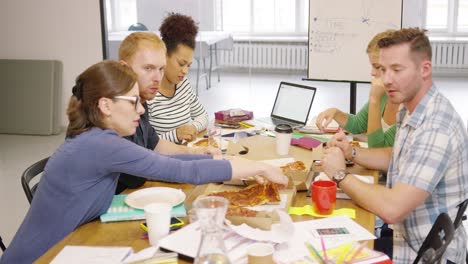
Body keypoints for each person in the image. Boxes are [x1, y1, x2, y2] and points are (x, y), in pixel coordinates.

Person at [0, 61, 288, 264]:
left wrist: (214, 159)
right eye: (134, 102)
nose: (140, 110)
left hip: (70, 247)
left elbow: (160, 160)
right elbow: (176, 169)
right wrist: (260, 167)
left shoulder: (96, 136)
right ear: (105, 105)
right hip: (42, 258)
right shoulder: (102, 145)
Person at [321, 28, 468, 263]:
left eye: (396, 70)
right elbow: (396, 156)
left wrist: (340, 174)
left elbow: (392, 209)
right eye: (382, 69)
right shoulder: (410, 107)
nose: (386, 79)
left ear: (425, 69)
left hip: (419, 254)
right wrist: (352, 151)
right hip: (404, 236)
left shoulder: (436, 127)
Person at [116, 31, 215, 193]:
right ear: (124, 68)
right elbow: (142, 169)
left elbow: (155, 144)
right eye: (148, 68)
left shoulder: (141, 102)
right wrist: (215, 166)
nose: (157, 78)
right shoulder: (115, 114)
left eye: (161, 69)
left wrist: (195, 153)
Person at [316, 30, 400, 147]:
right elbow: (358, 125)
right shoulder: (385, 94)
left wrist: (374, 100)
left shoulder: (408, 107)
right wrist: (335, 112)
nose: (372, 72)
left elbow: (378, 149)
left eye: (377, 67)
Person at [147, 13, 208, 143]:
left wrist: (192, 127)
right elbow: (144, 143)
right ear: (164, 55)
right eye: (181, 64)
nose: (185, 71)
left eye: (189, 65)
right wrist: (176, 135)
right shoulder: (149, 93)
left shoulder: (183, 84)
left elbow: (203, 116)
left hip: (185, 153)